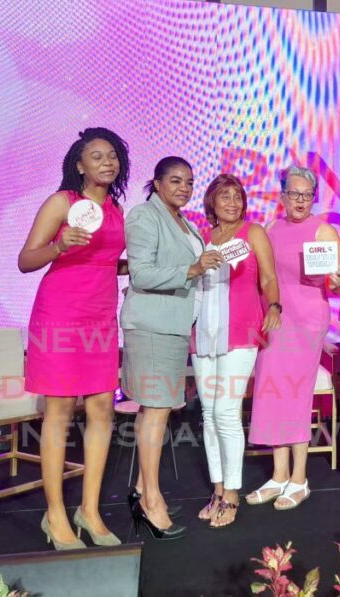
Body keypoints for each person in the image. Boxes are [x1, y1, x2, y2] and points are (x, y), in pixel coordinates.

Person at [20, 127, 129, 550]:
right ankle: (55, 514)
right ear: (80, 165)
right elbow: (26, 260)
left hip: (100, 316)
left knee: (102, 408)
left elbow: (103, 261)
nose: (107, 162)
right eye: (97, 156)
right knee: (60, 410)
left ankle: (90, 510)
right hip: (60, 315)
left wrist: (134, 267)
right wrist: (58, 245)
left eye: (112, 155)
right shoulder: (62, 202)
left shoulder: (116, 210)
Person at [121, 156, 222, 540]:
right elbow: (141, 272)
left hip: (173, 325)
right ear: (158, 183)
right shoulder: (145, 216)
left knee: (153, 410)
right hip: (153, 327)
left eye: (190, 182)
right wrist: (192, 269)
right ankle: (151, 502)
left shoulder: (183, 221)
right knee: (157, 411)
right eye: (176, 180)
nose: (184, 188)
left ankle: (142, 491)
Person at [246, 166, 340, 510]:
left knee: (297, 393)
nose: (301, 200)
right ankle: (279, 475)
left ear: (314, 198)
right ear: (283, 195)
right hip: (275, 318)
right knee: (273, 391)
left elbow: (337, 285)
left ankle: (299, 478)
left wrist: (339, 280)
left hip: (307, 320)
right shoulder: (271, 228)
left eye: (307, 195)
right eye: (294, 193)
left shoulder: (324, 231)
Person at [192, 174, 281, 527]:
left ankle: (232, 492)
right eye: (224, 196)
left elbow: (268, 277)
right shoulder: (201, 237)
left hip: (241, 331)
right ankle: (217, 489)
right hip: (202, 332)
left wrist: (274, 306)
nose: (232, 202)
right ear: (211, 203)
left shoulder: (253, 232)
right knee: (209, 414)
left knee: (226, 412)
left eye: (237, 196)